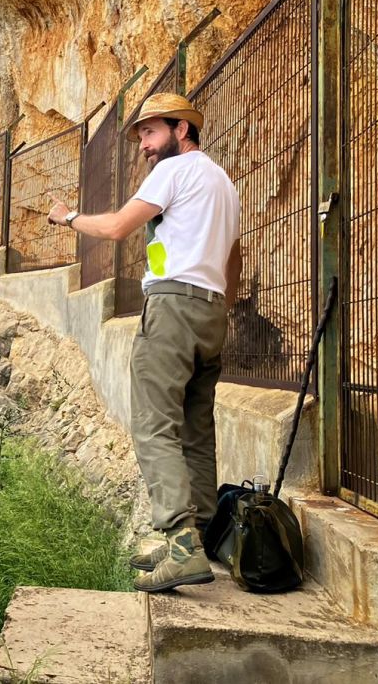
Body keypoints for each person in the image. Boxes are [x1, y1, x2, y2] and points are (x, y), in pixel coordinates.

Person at [47, 93, 241, 593]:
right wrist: (220, 304)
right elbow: (233, 259)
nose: (144, 147)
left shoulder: (174, 174)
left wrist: (68, 217)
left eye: (150, 133)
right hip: (212, 310)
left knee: (154, 424)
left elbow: (115, 228)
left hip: (173, 307)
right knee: (196, 428)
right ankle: (194, 537)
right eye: (139, 138)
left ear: (182, 129)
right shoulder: (224, 184)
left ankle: (179, 540)